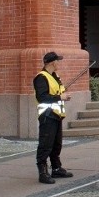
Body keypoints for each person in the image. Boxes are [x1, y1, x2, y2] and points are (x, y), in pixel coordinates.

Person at [34, 52, 73, 184]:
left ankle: (56, 168)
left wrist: (64, 96)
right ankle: (42, 172)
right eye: (58, 61)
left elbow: (57, 92)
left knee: (56, 144)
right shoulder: (41, 77)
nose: (59, 63)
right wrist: (59, 97)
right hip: (47, 115)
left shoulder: (55, 76)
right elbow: (42, 97)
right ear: (52, 63)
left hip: (56, 115)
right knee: (46, 145)